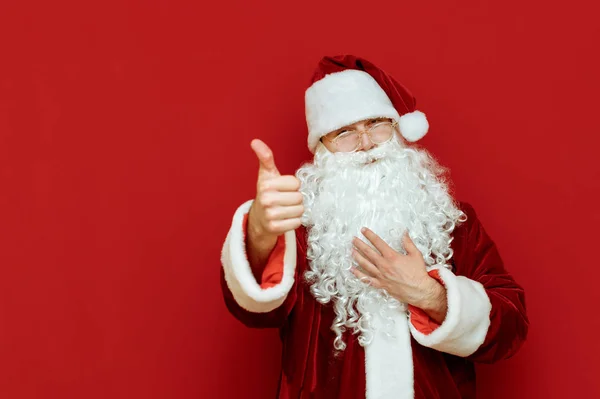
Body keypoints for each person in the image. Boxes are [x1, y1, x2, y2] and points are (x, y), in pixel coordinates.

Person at [219, 54, 529, 399]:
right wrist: (261, 232)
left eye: (377, 124)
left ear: (397, 130)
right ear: (322, 148)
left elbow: (510, 328)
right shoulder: (299, 229)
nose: (367, 145)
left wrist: (429, 294)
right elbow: (255, 311)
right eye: (345, 133)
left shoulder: (451, 220)